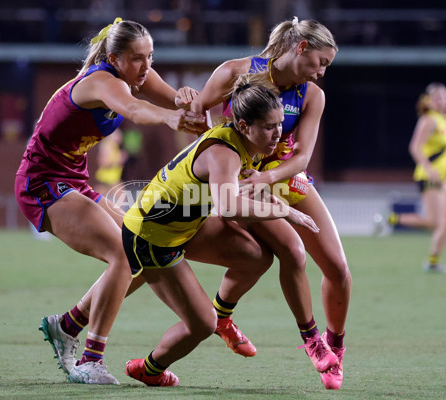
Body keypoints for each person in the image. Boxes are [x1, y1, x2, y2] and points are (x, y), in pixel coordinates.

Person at [14, 18, 206, 384]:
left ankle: (67, 326)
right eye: (137, 58)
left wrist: (187, 98)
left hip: (72, 179)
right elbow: (135, 110)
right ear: (114, 57)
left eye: (151, 56)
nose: (146, 66)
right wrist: (171, 118)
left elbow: (176, 99)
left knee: (138, 242)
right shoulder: (103, 81)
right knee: (123, 254)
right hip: (42, 184)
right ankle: (90, 360)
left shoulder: (136, 73)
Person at [121, 73, 320, 387]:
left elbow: (228, 192)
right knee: (201, 325)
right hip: (152, 236)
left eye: (280, 124)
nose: (278, 133)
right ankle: (149, 368)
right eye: (269, 127)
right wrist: (283, 210)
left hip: (184, 224)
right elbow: (228, 206)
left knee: (256, 257)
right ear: (244, 126)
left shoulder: (236, 140)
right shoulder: (225, 151)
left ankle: (222, 318)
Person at [190, 17, 351, 390]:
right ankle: (312, 343)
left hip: (279, 177)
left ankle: (335, 348)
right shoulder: (236, 71)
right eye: (320, 62)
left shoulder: (312, 95)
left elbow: (303, 157)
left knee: (338, 269)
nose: (322, 72)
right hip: (244, 182)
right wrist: (227, 154)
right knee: (290, 252)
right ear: (301, 49)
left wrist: (267, 176)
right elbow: (198, 111)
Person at [375, 83, 446, 274]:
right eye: (437, 97)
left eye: (444, 97)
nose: (442, 101)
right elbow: (414, 147)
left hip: (445, 177)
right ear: (430, 101)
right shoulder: (429, 120)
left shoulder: (444, 120)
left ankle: (433, 261)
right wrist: (429, 168)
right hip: (429, 176)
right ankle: (389, 219)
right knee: (433, 222)